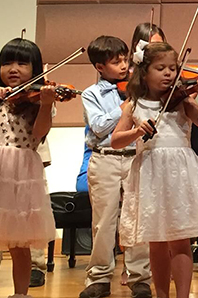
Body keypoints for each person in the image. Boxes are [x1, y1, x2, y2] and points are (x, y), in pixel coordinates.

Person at [111, 42, 198, 298]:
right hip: (150, 172)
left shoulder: (182, 100)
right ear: (144, 72)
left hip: (179, 172)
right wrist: (137, 131)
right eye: (161, 68)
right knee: (156, 241)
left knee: (181, 239)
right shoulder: (134, 104)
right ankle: (161, 295)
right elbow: (116, 140)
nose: (169, 73)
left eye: (172, 68)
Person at [0, 38, 57, 298]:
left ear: (35, 68)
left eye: (22, 63)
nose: (13, 69)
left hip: (20, 175)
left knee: (20, 244)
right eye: (7, 63)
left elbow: (39, 133)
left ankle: (20, 294)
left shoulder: (36, 101)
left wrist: (48, 103)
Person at [81, 35, 152, 298]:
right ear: (100, 67)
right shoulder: (91, 93)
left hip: (136, 156)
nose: (124, 66)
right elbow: (99, 127)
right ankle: (99, 277)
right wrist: (124, 107)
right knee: (103, 221)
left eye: (125, 60)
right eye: (116, 62)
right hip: (105, 158)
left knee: (136, 220)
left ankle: (140, 277)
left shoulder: (138, 88)